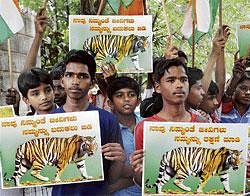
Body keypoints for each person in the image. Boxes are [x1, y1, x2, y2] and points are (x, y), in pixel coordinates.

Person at [51, 49, 125, 196]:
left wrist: (119, 160)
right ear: (62, 81)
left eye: (82, 76)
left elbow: (112, 178)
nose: (75, 81)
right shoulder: (49, 121)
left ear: (92, 82)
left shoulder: (108, 120)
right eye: (69, 75)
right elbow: (47, 177)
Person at [132, 58, 208, 186]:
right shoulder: (144, 128)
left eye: (183, 80)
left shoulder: (203, 124)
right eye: (171, 80)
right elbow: (143, 182)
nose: (179, 85)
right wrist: (138, 172)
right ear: (157, 87)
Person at [107, 76, 141, 195]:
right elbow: (109, 175)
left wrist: (123, 181)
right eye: (119, 95)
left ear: (138, 100)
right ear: (110, 103)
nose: (126, 99)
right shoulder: (107, 130)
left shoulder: (148, 125)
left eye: (131, 95)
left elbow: (154, 168)